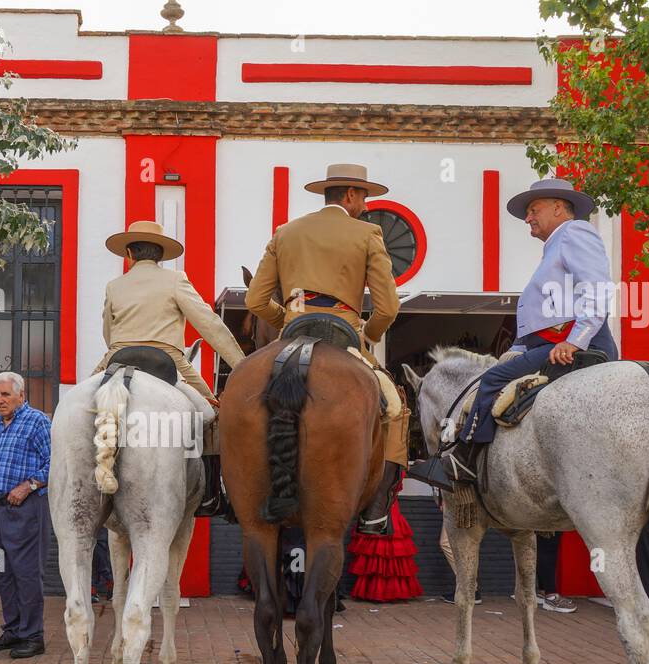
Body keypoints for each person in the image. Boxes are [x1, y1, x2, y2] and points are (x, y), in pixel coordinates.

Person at [409, 178, 619, 490]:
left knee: (490, 380)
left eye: (535, 210)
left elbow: (596, 289)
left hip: (572, 347)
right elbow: (550, 313)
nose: (528, 218)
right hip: (554, 344)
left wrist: (575, 341)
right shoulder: (558, 244)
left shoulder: (575, 233)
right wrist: (519, 347)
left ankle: (463, 461)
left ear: (560, 208)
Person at [245, 162, 407, 532]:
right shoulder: (368, 233)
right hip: (344, 336)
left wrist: (286, 318)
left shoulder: (285, 232)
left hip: (292, 328)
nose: (366, 205)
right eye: (364, 197)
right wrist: (370, 334)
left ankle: (226, 488)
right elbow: (388, 307)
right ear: (350, 195)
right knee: (395, 409)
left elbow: (256, 301)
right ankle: (376, 510)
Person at [90, 220, 246, 515]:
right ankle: (211, 494)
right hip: (168, 358)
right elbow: (209, 324)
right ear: (160, 255)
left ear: (130, 254)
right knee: (212, 413)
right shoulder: (175, 280)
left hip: (117, 355)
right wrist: (241, 364)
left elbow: (107, 333)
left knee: (83, 406)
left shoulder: (114, 285)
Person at [0, 372, 51, 659]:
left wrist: (28, 485)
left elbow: (56, 461)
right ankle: (13, 630)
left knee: (27, 574)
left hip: (26, 510)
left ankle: (33, 636)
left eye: (5, 394)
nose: (0, 400)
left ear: (21, 395)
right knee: (3, 573)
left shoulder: (37, 421)